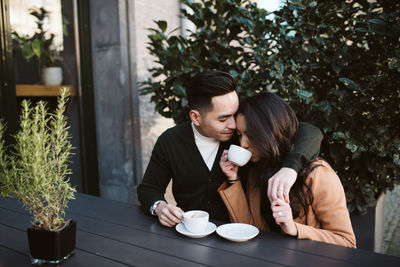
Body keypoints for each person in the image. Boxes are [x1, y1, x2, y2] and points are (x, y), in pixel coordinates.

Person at [137, 70, 323, 227]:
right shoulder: (170, 141)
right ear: (195, 117)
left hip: (241, 234)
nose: (233, 124)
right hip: (189, 233)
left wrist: (290, 168)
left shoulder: (243, 135)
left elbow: (309, 131)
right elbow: (148, 189)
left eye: (235, 114)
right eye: (223, 119)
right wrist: (159, 207)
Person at [218, 92, 356, 247]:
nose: (243, 144)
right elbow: (247, 228)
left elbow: (347, 243)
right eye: (239, 135)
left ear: (269, 131)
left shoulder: (318, 174)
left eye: (250, 135)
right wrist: (233, 178)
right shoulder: (257, 172)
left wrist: (294, 228)